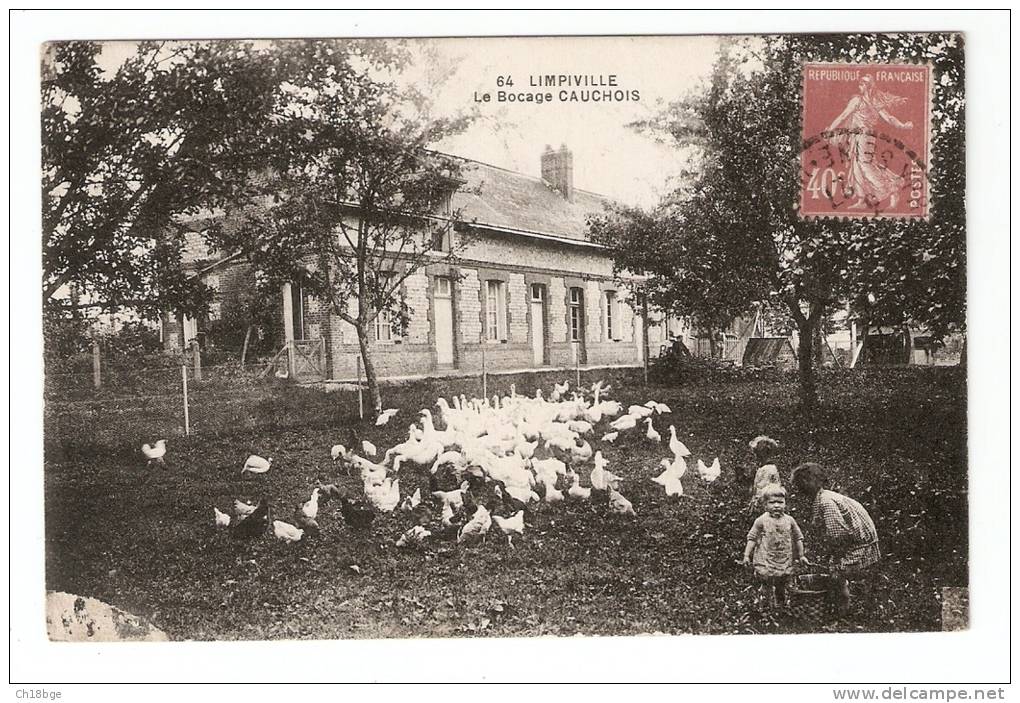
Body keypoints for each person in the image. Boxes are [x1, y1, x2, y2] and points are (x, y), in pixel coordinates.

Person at [791, 462, 881, 614]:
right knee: (834, 570)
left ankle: (842, 610)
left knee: (835, 575)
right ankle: (844, 604)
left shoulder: (826, 502)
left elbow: (838, 535)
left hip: (860, 546)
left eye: (801, 485)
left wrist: (836, 559)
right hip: (857, 541)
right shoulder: (824, 497)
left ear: (808, 483)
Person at [825, 74, 914, 210]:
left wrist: (830, 129)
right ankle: (861, 199)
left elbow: (844, 116)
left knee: (866, 166)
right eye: (860, 83)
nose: (860, 86)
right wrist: (902, 125)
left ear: (868, 87)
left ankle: (891, 190)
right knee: (856, 166)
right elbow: (889, 118)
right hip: (858, 138)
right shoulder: (868, 101)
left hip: (864, 138)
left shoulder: (861, 101)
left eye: (863, 84)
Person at [742, 485, 805, 608]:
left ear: (785, 503)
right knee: (766, 582)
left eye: (780, 502)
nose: (776, 505)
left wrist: (801, 555)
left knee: (782, 583)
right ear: (765, 505)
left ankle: (780, 607)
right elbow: (752, 538)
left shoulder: (790, 520)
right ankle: (764, 606)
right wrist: (746, 555)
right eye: (772, 502)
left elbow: (798, 537)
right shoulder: (761, 520)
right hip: (766, 558)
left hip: (784, 558)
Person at [748, 435, 782, 509]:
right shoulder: (764, 468)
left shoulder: (768, 469)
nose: (755, 456)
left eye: (756, 453)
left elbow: (762, 492)